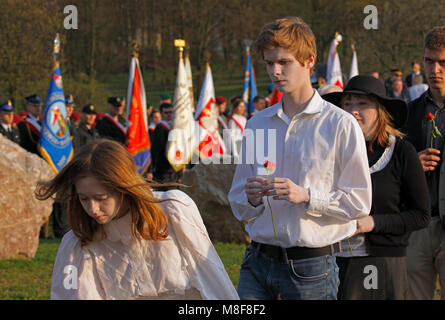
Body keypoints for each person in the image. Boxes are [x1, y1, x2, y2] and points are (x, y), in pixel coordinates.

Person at [228, 17, 372, 300]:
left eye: (284, 62)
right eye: (270, 63)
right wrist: (252, 198)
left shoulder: (340, 125)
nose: (275, 71)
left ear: (309, 61)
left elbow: (359, 202)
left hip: (312, 266)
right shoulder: (258, 123)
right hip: (256, 262)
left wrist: (307, 196)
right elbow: (238, 204)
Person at [35, 139, 239, 300]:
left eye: (100, 198)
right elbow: (74, 295)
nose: (92, 208)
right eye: (84, 198)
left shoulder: (174, 211)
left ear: (123, 187)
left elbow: (211, 275)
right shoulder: (78, 244)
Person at [323, 75, 431, 300]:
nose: (353, 110)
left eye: (362, 104)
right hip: (333, 259)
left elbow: (420, 216)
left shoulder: (401, 152)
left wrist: (372, 223)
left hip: (383, 260)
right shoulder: (329, 152)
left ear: (380, 110)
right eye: (347, 104)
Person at [403, 25, 445, 300]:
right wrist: (411, 165)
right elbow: (393, 169)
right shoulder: (411, 111)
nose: (435, 69)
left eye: (443, 62)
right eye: (429, 61)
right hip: (418, 225)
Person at [150, 103, 182, 187]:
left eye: (171, 112)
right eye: (166, 113)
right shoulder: (160, 127)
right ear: (161, 114)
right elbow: (157, 148)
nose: (169, 115)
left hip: (174, 167)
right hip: (164, 167)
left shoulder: (174, 126)